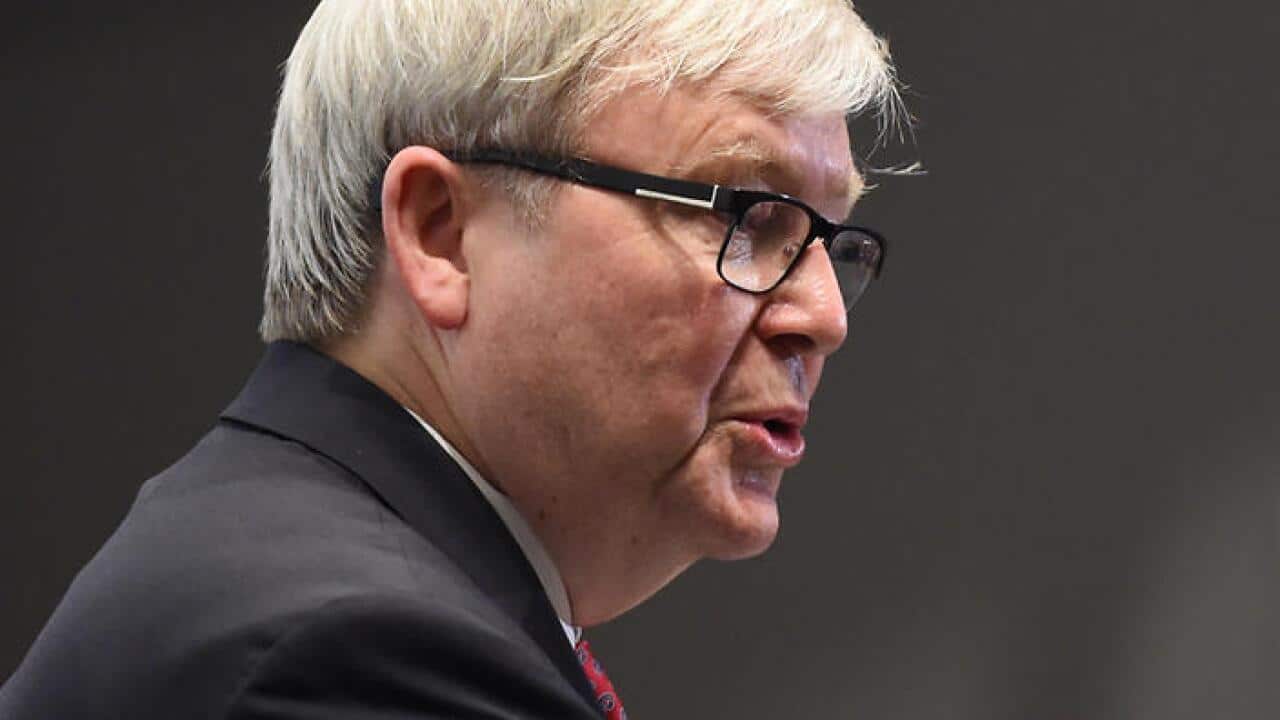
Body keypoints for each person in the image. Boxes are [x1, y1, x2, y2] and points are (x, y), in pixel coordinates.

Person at [0, 1, 901, 717]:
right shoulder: (356, 656)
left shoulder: (288, 555)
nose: (822, 316)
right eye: (744, 212)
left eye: (832, 240)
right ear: (442, 234)